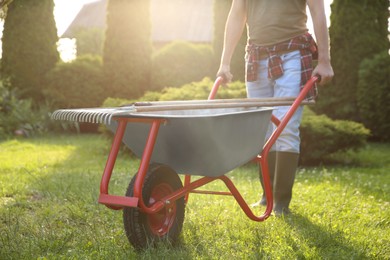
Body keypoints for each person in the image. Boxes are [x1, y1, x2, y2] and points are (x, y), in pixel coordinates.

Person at [217, 0, 334, 216]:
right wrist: (224, 63)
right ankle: (266, 197)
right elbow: (236, 15)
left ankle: (280, 202)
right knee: (263, 128)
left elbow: (318, 10)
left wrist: (325, 59)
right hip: (256, 56)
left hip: (292, 53)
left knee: (286, 126)